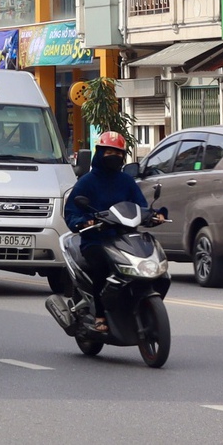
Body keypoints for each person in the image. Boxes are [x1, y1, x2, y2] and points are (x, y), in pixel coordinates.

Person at [62, 131, 163, 333]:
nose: (113, 156)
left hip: (124, 238)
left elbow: (140, 206)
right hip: (96, 239)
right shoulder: (87, 182)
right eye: (108, 151)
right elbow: (71, 212)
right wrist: (83, 222)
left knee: (153, 262)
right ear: (99, 153)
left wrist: (154, 215)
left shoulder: (126, 181)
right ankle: (100, 315)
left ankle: (136, 305)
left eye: (117, 152)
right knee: (102, 269)